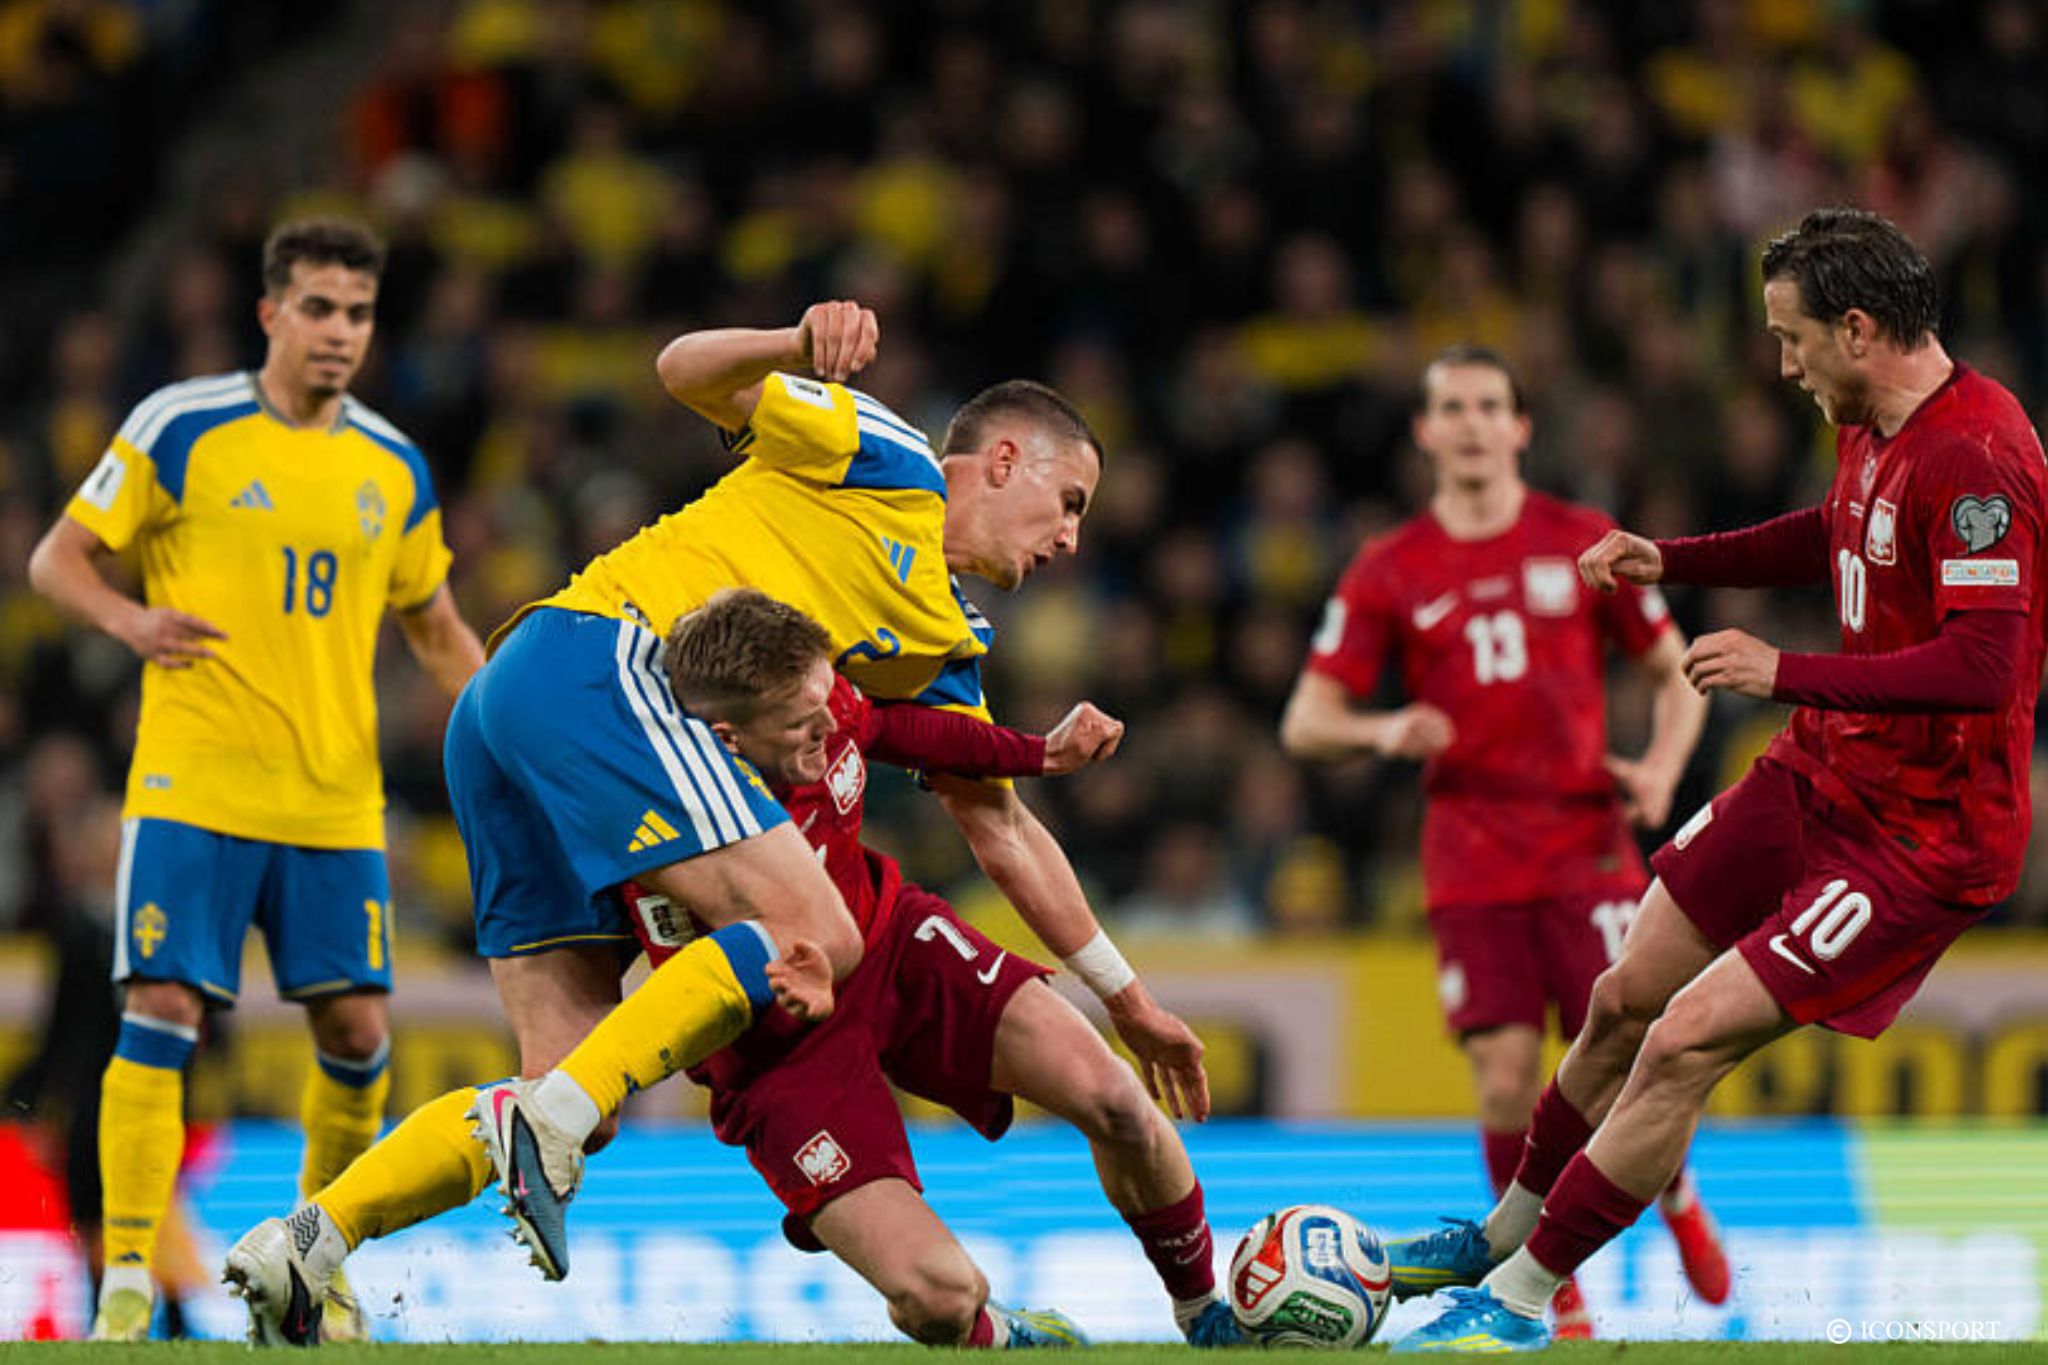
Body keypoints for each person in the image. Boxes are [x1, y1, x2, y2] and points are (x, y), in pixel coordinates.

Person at [224, 302, 1207, 1343]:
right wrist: (794, 345)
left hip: (508, 714)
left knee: (580, 1091)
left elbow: (1001, 830)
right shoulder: (888, 459)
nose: (1071, 537)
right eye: (1068, 502)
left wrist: (1125, 998)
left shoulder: (937, 646)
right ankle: (539, 1124)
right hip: (603, 660)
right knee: (813, 933)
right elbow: (682, 369)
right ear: (1001, 460)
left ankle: (308, 1246)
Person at [1391, 209, 2048, 1354]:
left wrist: (1781, 671)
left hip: (1920, 839)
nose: (1782, 365)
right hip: (1820, 777)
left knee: (1684, 1039)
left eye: (1791, 340)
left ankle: (1517, 1304)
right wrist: (1673, 560)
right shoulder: (1872, 422)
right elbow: (1833, 534)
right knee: (1621, 995)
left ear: (1854, 329)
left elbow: (1986, 664)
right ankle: (1500, 1232)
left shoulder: (1979, 455)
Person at [26, 219, 486, 1342]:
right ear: (271, 313)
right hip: (195, 782)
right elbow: (57, 559)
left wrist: (506, 731)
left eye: (359, 313)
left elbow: (431, 624)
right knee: (161, 1006)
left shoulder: (393, 464)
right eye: (319, 308)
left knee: (358, 1037)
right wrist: (133, 620)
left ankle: (310, 1272)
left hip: (332, 799)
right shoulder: (182, 426)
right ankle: (128, 1281)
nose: (339, 333)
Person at [618, 589, 1236, 1347]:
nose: (830, 730)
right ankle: (1006, 1337)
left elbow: (894, 728)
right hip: (780, 1051)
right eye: (801, 726)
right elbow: (672, 987)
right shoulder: (665, 837)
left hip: (891, 945)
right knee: (942, 1297)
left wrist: (1040, 752)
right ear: (727, 739)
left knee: (1113, 1097)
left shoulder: (824, 701)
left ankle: (1208, 1315)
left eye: (827, 703)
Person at [1279, 346, 1725, 1338]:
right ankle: (1549, 1285)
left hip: (1586, 845)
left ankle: (1678, 1195)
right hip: (1469, 850)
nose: (1472, 422)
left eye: (1489, 405)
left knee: (1626, 1055)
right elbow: (1304, 721)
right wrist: (1379, 730)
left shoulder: (1578, 540)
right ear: (1424, 432)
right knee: (1502, 1079)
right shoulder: (1389, 567)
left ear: (1520, 427)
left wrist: (1656, 770)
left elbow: (1670, 673)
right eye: (1452, 407)